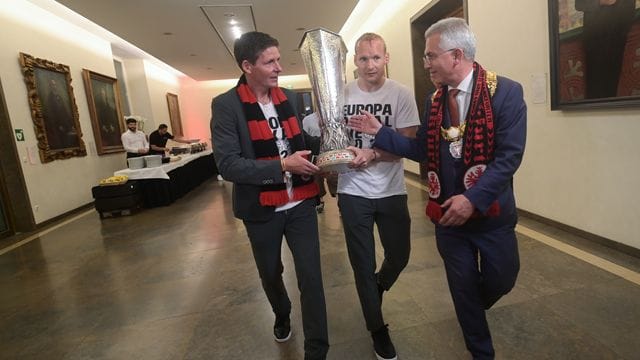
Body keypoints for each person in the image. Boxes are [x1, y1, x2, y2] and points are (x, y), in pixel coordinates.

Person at [349, 18, 527, 359]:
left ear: (456, 55)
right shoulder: (434, 101)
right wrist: (379, 132)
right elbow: (422, 150)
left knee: (502, 280)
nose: (426, 62)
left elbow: (509, 157)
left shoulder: (505, 92)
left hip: (491, 216)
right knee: (462, 290)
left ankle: (471, 308)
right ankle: (481, 352)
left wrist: (472, 199)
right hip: (448, 218)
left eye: (431, 55)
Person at [210, 31, 328, 360]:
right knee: (270, 273)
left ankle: (317, 349)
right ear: (248, 66)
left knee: (311, 275)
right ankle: (281, 312)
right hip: (261, 209)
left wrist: (330, 141)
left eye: (279, 59)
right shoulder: (226, 105)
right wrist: (282, 166)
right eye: (270, 61)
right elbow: (229, 165)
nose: (279, 67)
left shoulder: (288, 96)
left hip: (302, 201)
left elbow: (303, 143)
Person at [339, 32, 420, 360]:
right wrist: (343, 154)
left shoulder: (401, 94)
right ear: (354, 61)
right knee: (362, 264)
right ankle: (378, 330)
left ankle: (375, 289)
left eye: (376, 57)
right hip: (352, 191)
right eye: (363, 58)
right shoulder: (341, 96)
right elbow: (334, 141)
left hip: (390, 191)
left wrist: (372, 153)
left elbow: (408, 145)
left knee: (399, 256)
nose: (369, 65)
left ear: (386, 58)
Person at [575, 0, 635, 99]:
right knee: (594, 88)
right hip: (594, 40)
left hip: (617, 38)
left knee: (611, 85)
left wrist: (623, 30)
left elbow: (629, 6)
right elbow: (579, 4)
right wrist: (601, 2)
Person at [301, 112, 337, 213]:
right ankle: (319, 201)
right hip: (315, 155)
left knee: (335, 179)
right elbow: (305, 139)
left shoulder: (333, 116)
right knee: (317, 181)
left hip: (331, 154)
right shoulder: (308, 119)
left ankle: (340, 203)